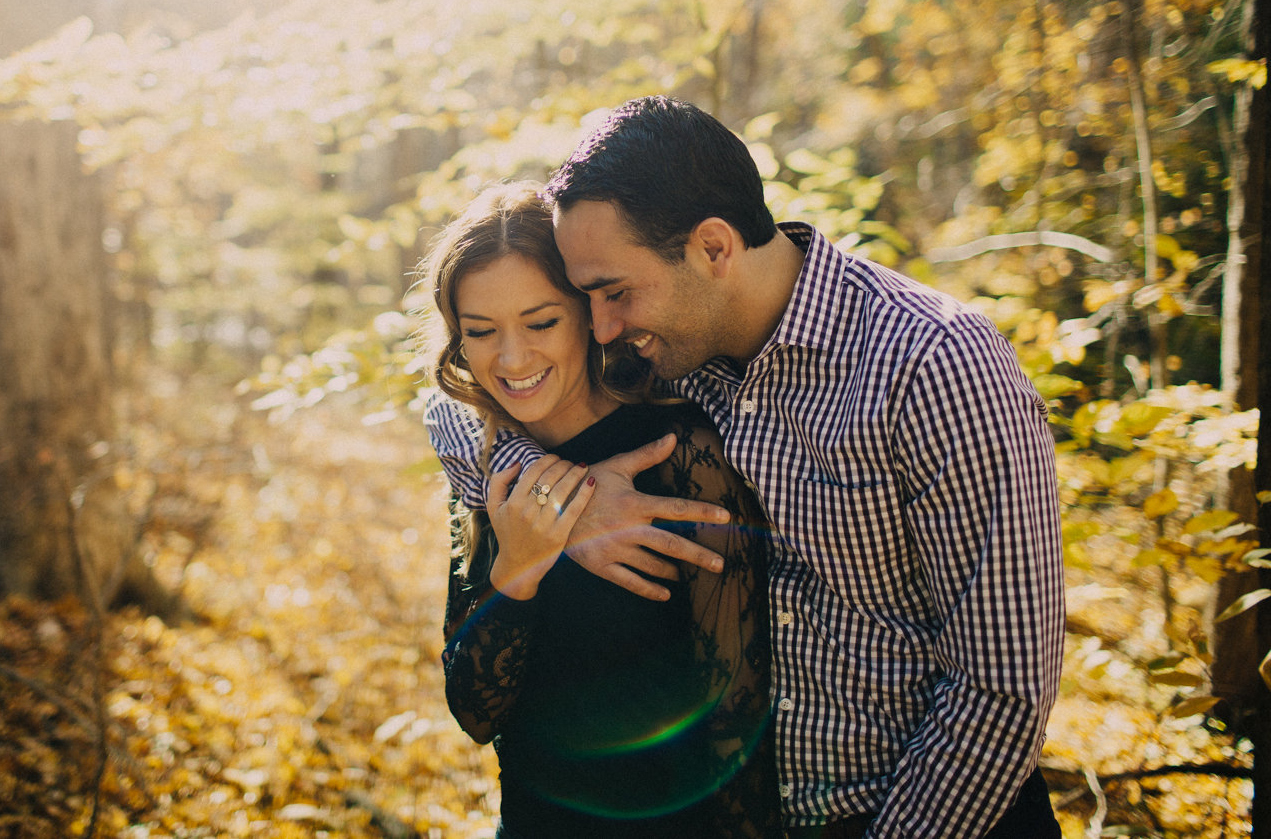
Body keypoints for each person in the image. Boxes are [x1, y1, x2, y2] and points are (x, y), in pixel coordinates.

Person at [425, 97, 1065, 839]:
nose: (602, 326)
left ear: (714, 248)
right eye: (589, 296)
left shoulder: (934, 366)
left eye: (615, 292)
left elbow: (1000, 693)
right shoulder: (675, 353)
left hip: (929, 815)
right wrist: (566, 500)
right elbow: (460, 402)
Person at [420, 182, 781, 838]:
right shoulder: (485, 463)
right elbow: (474, 713)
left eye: (540, 321)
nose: (512, 358)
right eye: (481, 331)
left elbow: (737, 714)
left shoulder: (679, 451)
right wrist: (519, 570)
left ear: (589, 314)